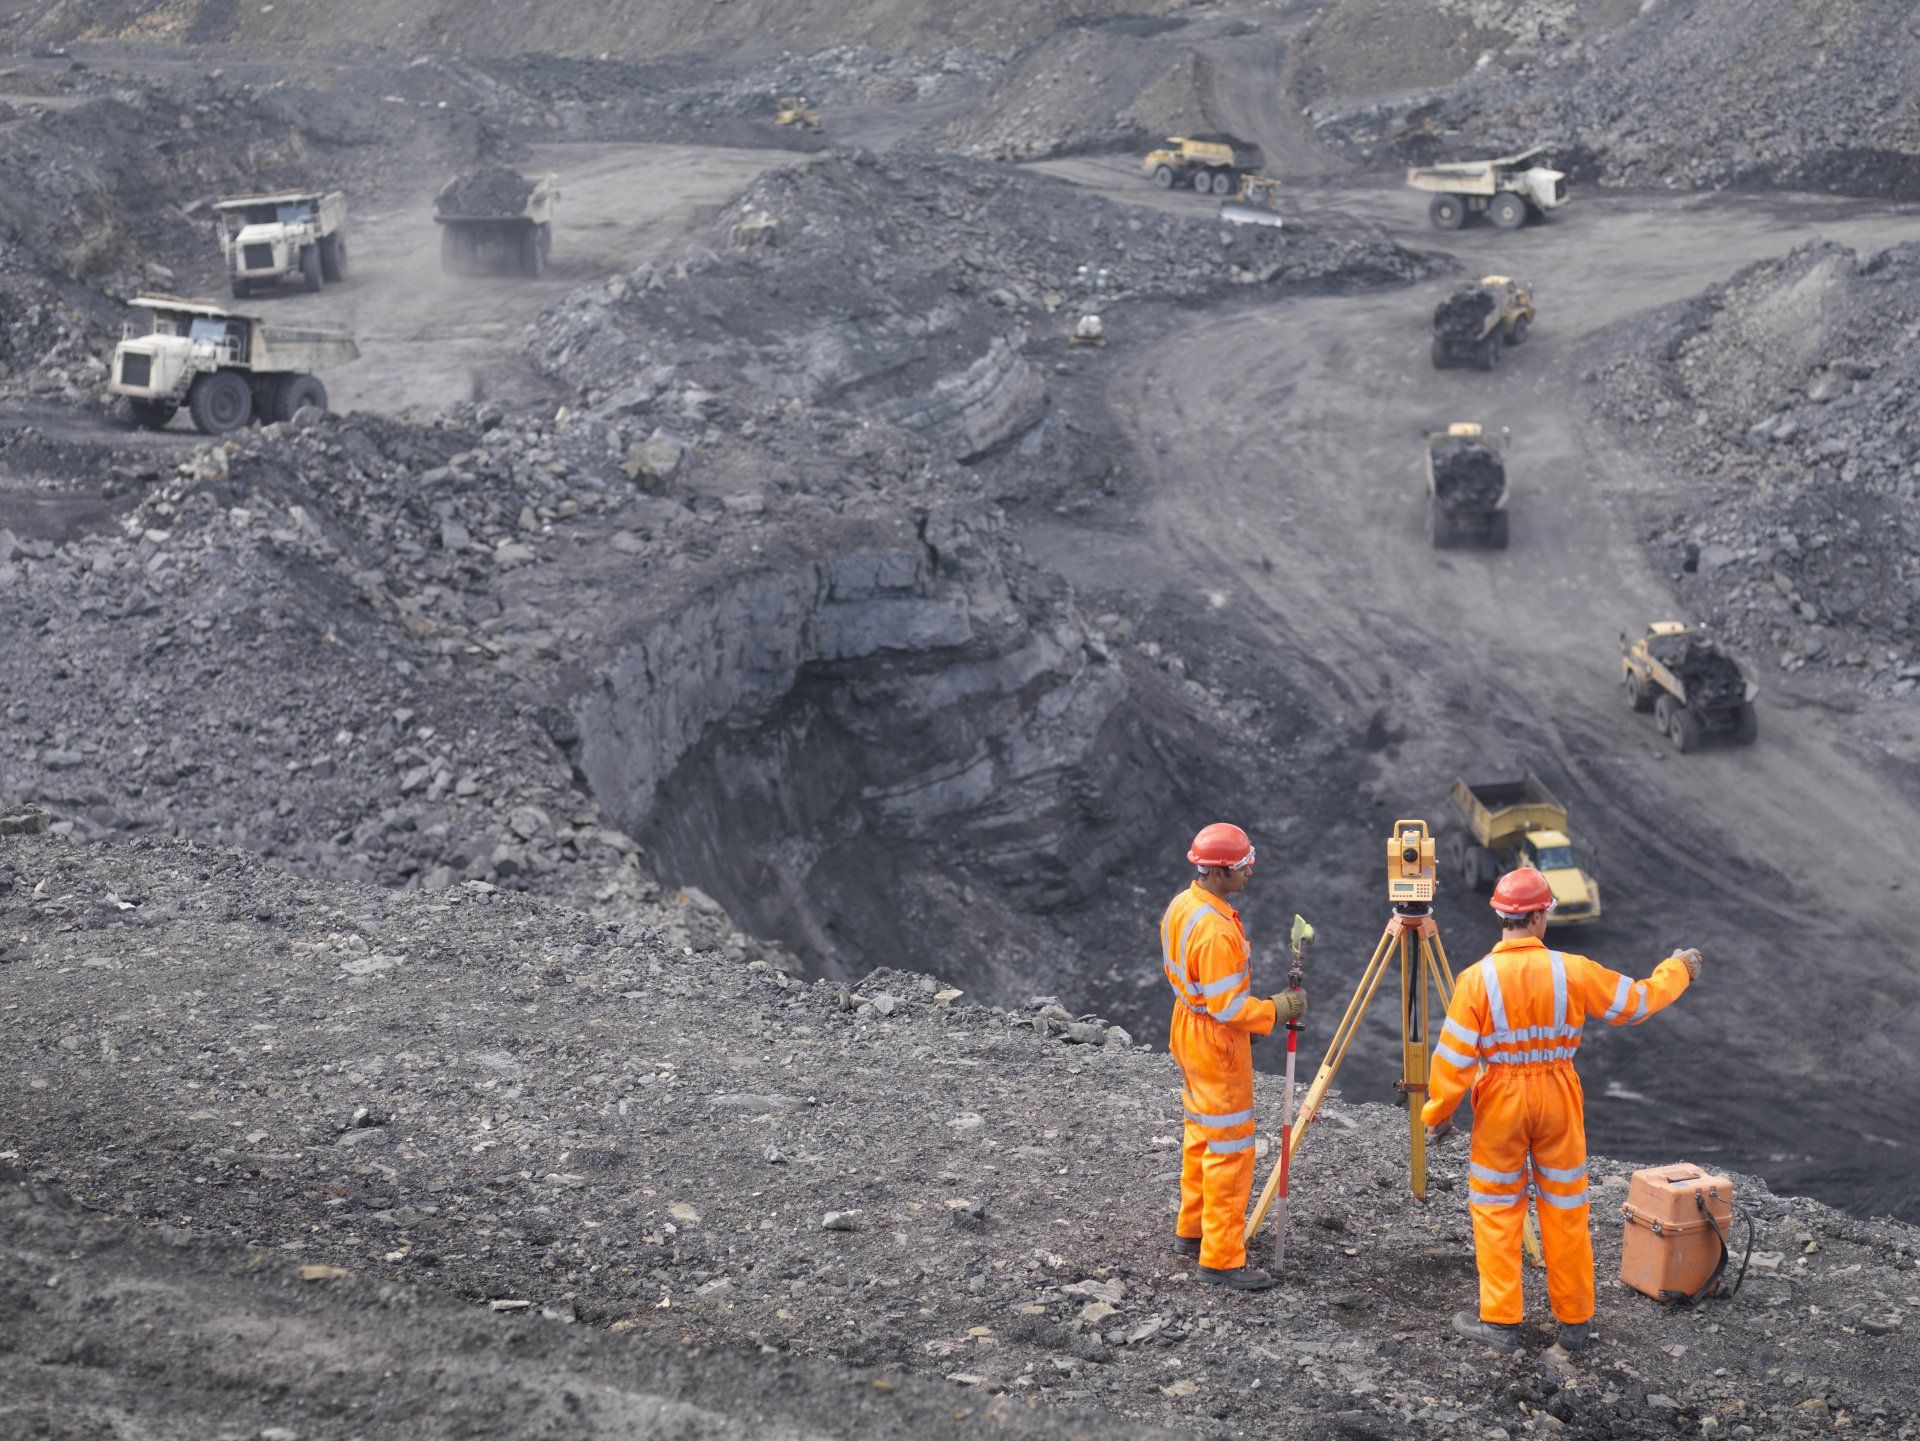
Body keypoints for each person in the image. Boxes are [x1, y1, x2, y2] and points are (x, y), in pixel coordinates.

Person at [1423, 866, 1701, 1352]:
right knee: (1566, 1209)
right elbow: (1635, 1002)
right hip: (1557, 1096)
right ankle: (1574, 1323)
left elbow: (1453, 1057)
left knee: (1495, 1210)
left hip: (1501, 1102)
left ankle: (1502, 1323)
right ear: (1539, 917)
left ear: (1502, 918)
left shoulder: (1476, 980)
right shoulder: (1572, 969)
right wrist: (1677, 969)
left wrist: (1438, 1115)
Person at [1160, 823, 1305, 1291]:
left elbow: (1206, 993)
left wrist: (1244, 1020)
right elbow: (1227, 1007)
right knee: (1231, 1148)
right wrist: (1274, 1010)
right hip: (1215, 1041)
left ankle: (1193, 1229)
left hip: (1188, 1026)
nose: (1249, 872)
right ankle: (1221, 1259)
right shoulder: (1217, 931)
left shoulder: (1184, 905)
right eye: (1243, 866)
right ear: (1220, 871)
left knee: (1202, 1132)